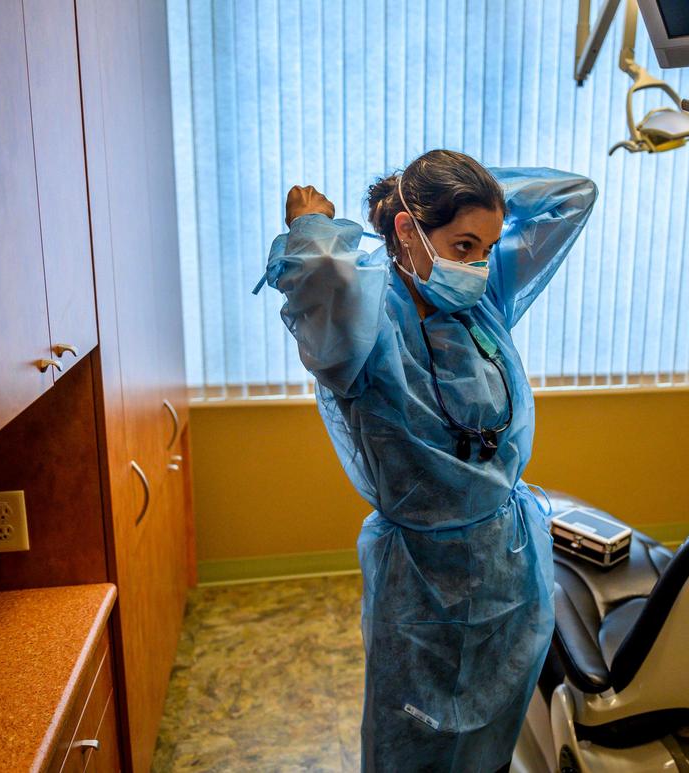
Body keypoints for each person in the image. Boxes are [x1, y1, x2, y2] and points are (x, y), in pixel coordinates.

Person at [258, 149, 597, 771]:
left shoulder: (482, 299)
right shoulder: (362, 323)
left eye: (487, 247)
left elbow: (572, 196)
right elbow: (316, 278)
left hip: (506, 563)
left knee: (493, 730)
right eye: (464, 244)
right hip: (422, 582)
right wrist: (311, 229)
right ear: (407, 230)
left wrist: (478, 196)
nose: (477, 263)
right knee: (419, 733)